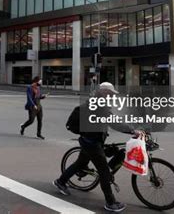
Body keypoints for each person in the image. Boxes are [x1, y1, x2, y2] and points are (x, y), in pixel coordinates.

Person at [53, 82, 143, 213]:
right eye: (111, 94)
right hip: (91, 143)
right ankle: (110, 203)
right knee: (104, 171)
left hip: (90, 140)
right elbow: (113, 121)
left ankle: (60, 181)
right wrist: (132, 131)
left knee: (80, 163)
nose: (112, 96)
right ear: (104, 92)